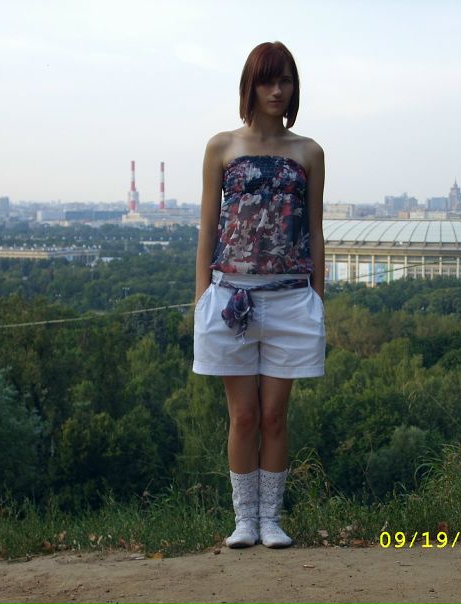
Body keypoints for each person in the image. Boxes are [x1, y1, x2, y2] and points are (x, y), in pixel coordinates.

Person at [193, 41, 326, 549]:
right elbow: (208, 227)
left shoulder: (309, 152)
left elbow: (315, 231)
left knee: (274, 416)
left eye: (285, 80)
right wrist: (202, 298)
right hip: (232, 299)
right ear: (250, 86)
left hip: (291, 298)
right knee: (244, 416)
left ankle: (271, 519)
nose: (277, 90)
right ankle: (244, 520)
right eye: (268, 80)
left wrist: (317, 300)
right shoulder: (221, 147)